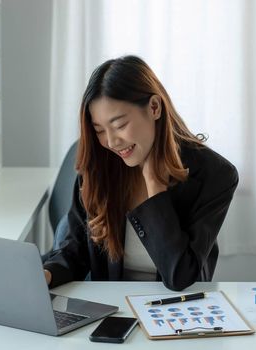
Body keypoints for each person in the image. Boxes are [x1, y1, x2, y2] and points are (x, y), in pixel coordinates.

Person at [43, 55, 239, 291]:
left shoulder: (215, 174)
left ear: (154, 107)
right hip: (113, 309)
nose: (112, 142)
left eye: (119, 125)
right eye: (100, 130)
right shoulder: (99, 168)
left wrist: (155, 190)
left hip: (179, 310)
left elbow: (180, 275)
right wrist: (46, 275)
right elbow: (74, 251)